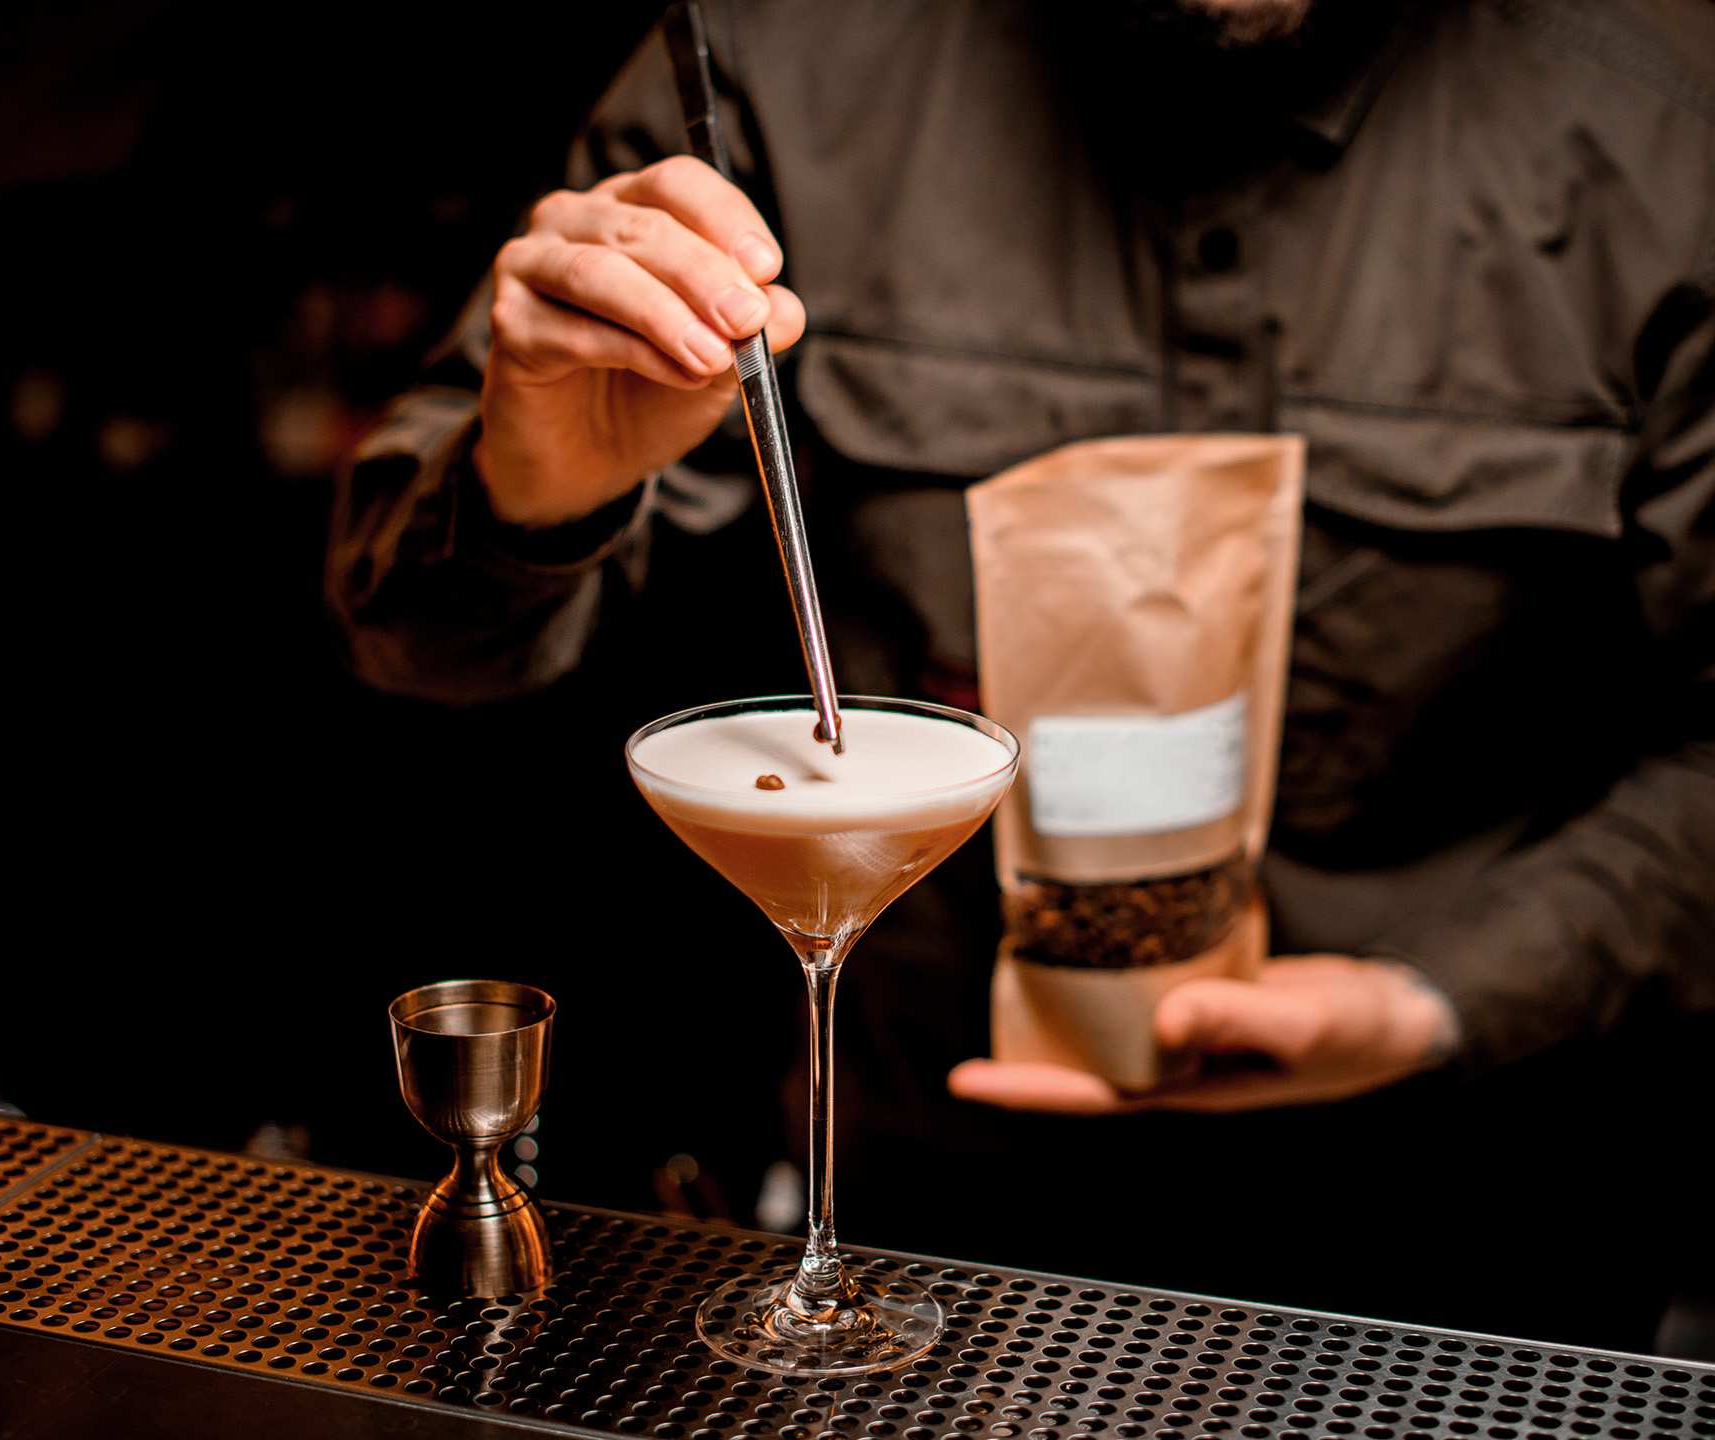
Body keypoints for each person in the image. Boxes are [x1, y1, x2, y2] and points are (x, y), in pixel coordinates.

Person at [327, 0, 1715, 1348]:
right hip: (926, 1229)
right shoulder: (771, 50)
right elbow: (418, 641)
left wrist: (1445, 998)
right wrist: (537, 484)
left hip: (1475, 1217)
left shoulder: (1666, 104)